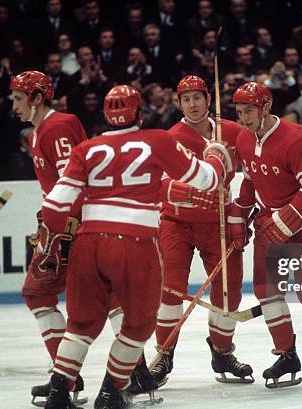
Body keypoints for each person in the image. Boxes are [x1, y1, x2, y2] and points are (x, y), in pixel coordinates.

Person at [39, 84, 234, 409]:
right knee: (139, 323)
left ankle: (58, 395)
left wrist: (56, 245)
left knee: (81, 323)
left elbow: (55, 204)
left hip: (88, 242)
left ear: (105, 115)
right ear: (139, 113)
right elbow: (207, 180)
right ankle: (111, 393)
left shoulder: (86, 149)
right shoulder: (157, 140)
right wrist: (215, 155)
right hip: (133, 243)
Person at [9, 70, 123, 406]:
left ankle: (66, 377)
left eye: (18, 98)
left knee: (37, 292)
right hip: (70, 224)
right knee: (108, 294)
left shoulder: (57, 127)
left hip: (71, 227)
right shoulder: (40, 131)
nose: (13, 105)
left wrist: (63, 229)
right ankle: (135, 374)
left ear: (37, 98)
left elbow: (72, 182)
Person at [232, 82, 302, 388]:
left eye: (249, 111)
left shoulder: (295, 137)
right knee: (268, 292)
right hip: (270, 222)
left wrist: (280, 223)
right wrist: (238, 220)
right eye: (240, 112)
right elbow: (250, 183)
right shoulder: (243, 139)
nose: (244, 118)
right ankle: (286, 354)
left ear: (266, 107)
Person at [151, 75, 253, 387]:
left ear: (208, 100)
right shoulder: (171, 137)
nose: (193, 105)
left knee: (230, 291)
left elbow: (254, 173)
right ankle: (163, 354)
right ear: (178, 103)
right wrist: (181, 189)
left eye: (198, 98)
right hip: (176, 224)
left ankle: (221, 351)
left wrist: (240, 214)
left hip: (218, 225)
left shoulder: (233, 133)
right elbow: (159, 182)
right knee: (171, 290)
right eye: (186, 99)